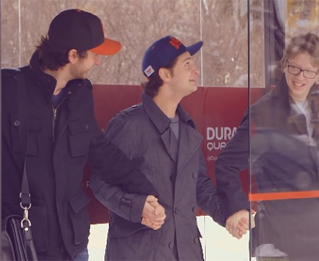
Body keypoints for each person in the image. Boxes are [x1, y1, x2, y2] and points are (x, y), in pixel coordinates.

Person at [1, 9, 165, 260]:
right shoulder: (9, 90)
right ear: (73, 55)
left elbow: (101, 152)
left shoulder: (80, 94)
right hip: (24, 245)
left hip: (73, 245)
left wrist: (148, 194)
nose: (98, 61)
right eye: (95, 55)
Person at [214, 32, 319, 261]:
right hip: (279, 243)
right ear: (284, 65)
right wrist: (239, 208)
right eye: (294, 68)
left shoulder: (313, 104)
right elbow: (226, 165)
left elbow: (312, 162)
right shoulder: (263, 113)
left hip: (316, 238)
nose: (300, 77)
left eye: (309, 71)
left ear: (318, 74)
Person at [90, 35, 225, 260]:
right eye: (187, 64)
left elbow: (200, 186)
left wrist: (229, 214)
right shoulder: (128, 125)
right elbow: (99, 182)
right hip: (139, 253)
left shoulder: (188, 128)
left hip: (186, 253)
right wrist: (137, 206)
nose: (196, 70)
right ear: (165, 74)